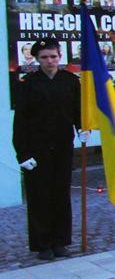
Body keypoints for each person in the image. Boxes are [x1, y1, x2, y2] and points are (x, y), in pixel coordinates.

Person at [13, 39, 84, 260]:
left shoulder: (71, 81)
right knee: (39, 197)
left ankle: (60, 241)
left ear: (59, 56)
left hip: (63, 147)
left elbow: (78, 110)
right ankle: (42, 244)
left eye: (53, 56)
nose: (50, 61)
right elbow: (20, 123)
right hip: (37, 149)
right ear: (37, 59)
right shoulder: (29, 84)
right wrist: (22, 154)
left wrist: (82, 127)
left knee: (61, 195)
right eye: (44, 57)